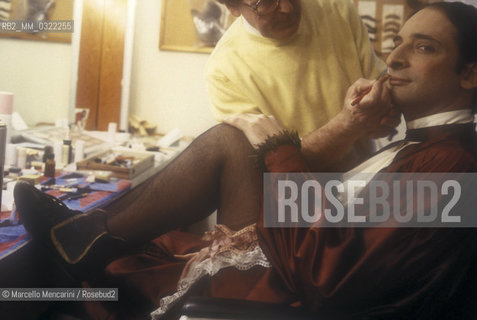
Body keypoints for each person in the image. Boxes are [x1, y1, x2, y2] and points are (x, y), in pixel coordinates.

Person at [12, 2, 477, 319]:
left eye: (423, 47)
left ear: (471, 74)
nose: (391, 59)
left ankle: (79, 247)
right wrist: (291, 146)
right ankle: (83, 243)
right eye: (399, 43)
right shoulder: (430, 150)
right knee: (144, 248)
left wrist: (279, 147)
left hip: (293, 281)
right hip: (302, 237)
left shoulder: (452, 169)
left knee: (94, 284)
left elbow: (326, 275)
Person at [206, 0, 399, 170]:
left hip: (366, 176)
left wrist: (386, 110)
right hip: (300, 196)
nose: (287, 8)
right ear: (233, 7)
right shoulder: (224, 70)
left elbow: (383, 87)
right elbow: (275, 167)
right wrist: (349, 124)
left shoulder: (337, 9)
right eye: (266, 2)